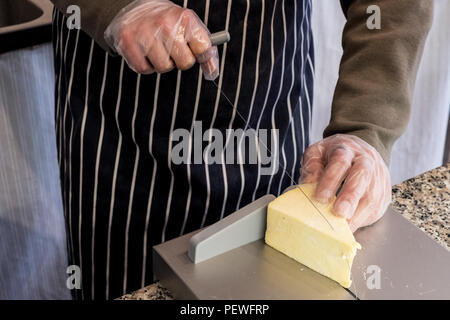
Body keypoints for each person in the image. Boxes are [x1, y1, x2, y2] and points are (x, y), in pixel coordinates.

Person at [50, 0, 432, 299]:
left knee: (284, 281)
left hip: (266, 92)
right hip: (120, 127)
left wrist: (366, 128)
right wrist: (114, 6)